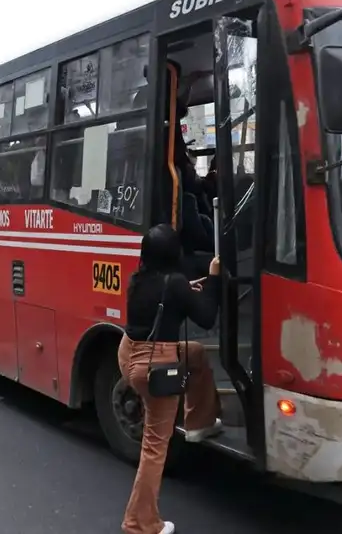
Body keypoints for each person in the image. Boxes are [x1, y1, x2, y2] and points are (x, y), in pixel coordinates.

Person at [118, 224, 223, 534]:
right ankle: (140, 522)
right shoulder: (175, 284)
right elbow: (206, 317)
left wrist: (189, 291)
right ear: (174, 253)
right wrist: (215, 277)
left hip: (130, 355)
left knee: (196, 354)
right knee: (154, 447)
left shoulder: (138, 279)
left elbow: (170, 300)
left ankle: (200, 421)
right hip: (155, 364)